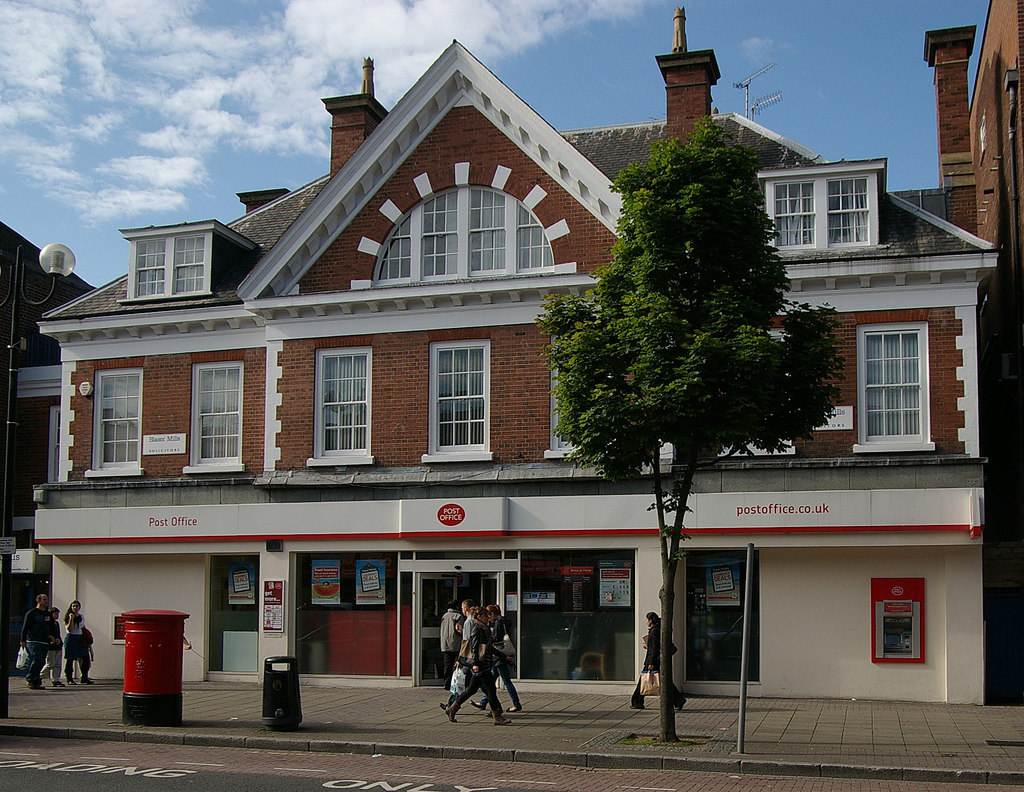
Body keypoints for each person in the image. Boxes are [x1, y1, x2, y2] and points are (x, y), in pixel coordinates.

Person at [443, 606, 510, 725]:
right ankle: (497, 717)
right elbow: (474, 648)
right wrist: (475, 664)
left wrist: (504, 656)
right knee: (491, 690)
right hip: (481, 665)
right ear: (479, 617)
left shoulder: (484, 629)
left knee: (471, 690)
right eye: (485, 616)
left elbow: (488, 649)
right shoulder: (478, 629)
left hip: (483, 664)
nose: (488, 618)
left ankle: (452, 709)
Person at [630, 611, 685, 711]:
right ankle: (678, 700)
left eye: (647, 620)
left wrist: (651, 662)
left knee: (645, 680)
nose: (646, 622)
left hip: (652, 660)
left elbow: (655, 648)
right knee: (664, 681)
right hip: (654, 659)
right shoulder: (657, 630)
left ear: (650, 620)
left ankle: (637, 701)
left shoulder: (654, 631)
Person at [473, 604, 521, 712]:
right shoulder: (502, 621)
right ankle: (483, 702)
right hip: (498, 656)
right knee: (491, 681)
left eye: (488, 615)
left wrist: (489, 639)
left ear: (493, 614)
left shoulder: (498, 622)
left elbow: (497, 638)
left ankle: (516, 704)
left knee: (506, 681)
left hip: (499, 656)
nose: (488, 618)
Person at [20, 594, 58, 690]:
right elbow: (25, 627)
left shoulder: (48, 614)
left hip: (44, 641)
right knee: (37, 659)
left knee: (41, 661)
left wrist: (55, 637)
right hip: (33, 640)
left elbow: (52, 627)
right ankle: (30, 678)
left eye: (47, 599)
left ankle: (36, 681)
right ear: (38, 600)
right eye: (44, 599)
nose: (46, 601)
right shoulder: (32, 613)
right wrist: (22, 640)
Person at [64, 600, 94, 684]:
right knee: (70, 659)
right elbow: (70, 629)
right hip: (71, 638)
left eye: (76, 606)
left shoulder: (81, 616)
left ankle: (84, 677)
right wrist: (71, 619)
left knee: (85, 658)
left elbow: (83, 627)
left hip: (80, 638)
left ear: (79, 607)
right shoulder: (68, 616)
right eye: (73, 606)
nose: (75, 608)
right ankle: (69, 678)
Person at [439, 601, 464, 693]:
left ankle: (446, 683)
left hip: (445, 643)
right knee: (458, 663)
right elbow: (459, 630)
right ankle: (457, 683)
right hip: (455, 643)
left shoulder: (444, 616)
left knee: (447, 664)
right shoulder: (458, 616)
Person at [41, 606, 65, 687]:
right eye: (55, 614)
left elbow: (58, 634)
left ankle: (56, 680)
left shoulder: (56, 623)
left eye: (58, 614)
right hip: (51, 647)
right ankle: (40, 675)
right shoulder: (47, 623)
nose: (57, 616)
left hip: (58, 646)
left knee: (57, 664)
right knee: (50, 663)